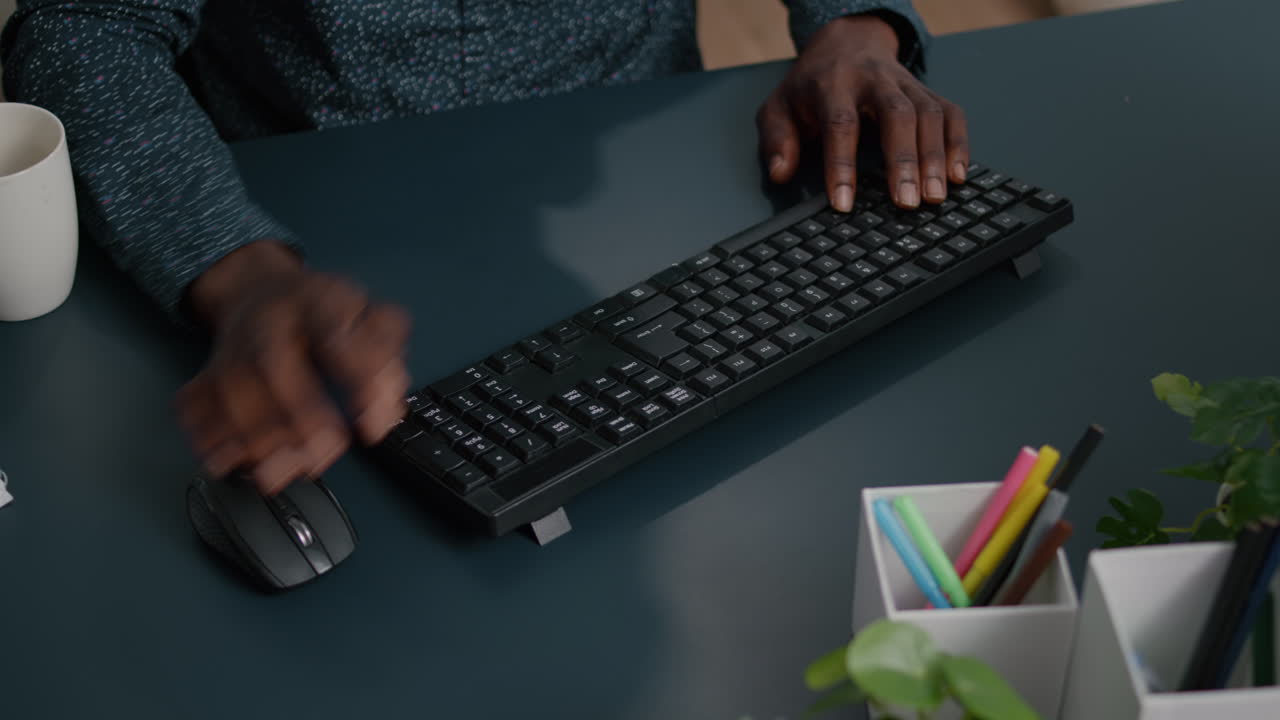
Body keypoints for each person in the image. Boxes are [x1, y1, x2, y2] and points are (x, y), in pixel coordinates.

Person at [1, 1, 968, 495]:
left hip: (654, 172)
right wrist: (235, 267)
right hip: (310, 229)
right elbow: (81, 29)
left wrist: (853, 25)